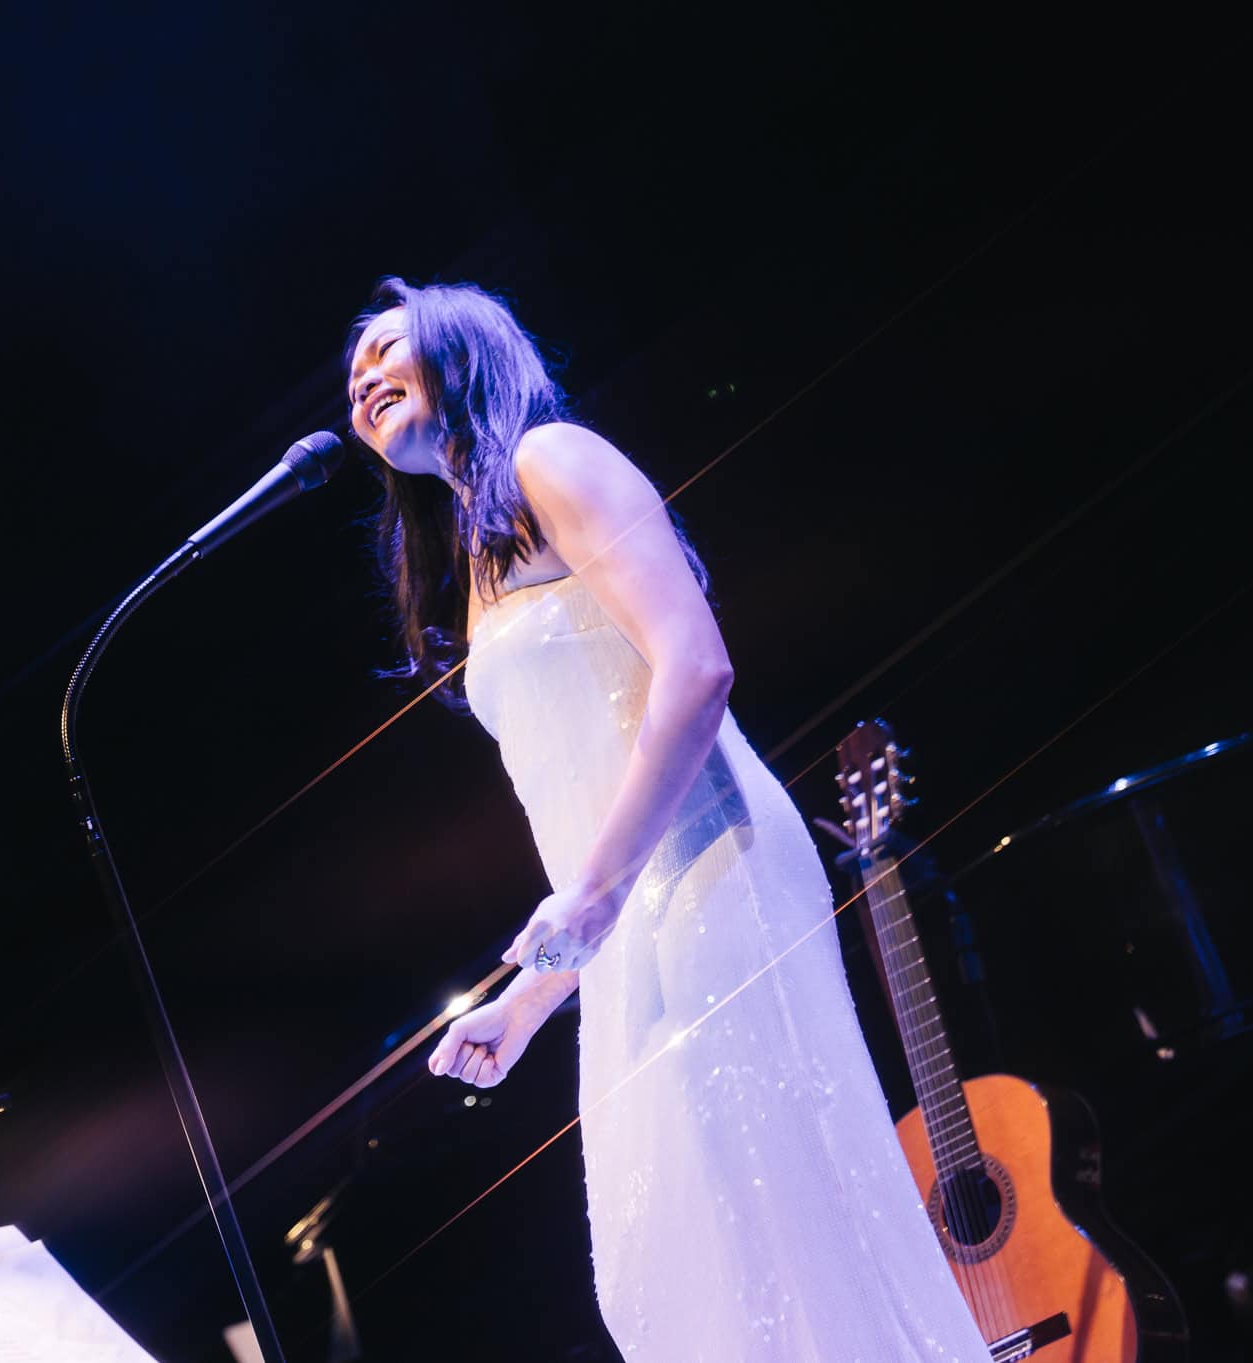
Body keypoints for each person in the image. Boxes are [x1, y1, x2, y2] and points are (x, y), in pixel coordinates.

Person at [345, 276, 992, 1362]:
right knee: (675, 1249)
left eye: (385, 350)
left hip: (715, 870)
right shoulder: (473, 557)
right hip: (630, 914)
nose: (363, 378)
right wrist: (530, 999)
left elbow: (695, 669)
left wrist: (592, 899)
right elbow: (581, 798)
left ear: (462, 348)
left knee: (763, 1211)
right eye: (352, 371)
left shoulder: (553, 458)